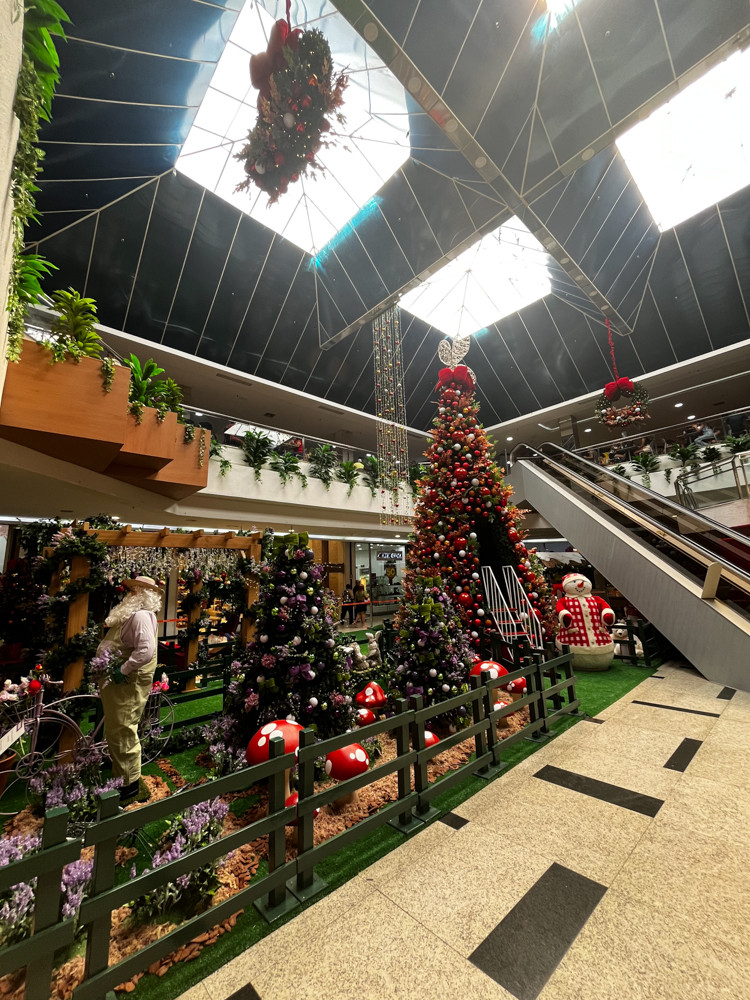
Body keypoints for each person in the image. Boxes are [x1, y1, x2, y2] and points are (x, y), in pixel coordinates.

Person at [95, 575, 163, 804]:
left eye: (133, 591)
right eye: (130, 590)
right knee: (117, 729)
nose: (128, 595)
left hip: (127, 684)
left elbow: (146, 651)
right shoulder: (131, 614)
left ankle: (129, 786)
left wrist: (122, 669)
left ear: (143, 595)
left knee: (123, 730)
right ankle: (121, 776)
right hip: (118, 686)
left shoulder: (141, 615)